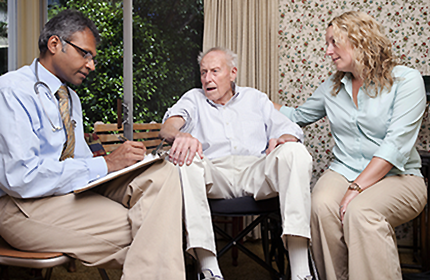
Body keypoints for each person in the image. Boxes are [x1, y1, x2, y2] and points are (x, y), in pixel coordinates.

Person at [0, 9, 185, 280]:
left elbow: (83, 164)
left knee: (163, 173)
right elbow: (21, 177)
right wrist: (107, 163)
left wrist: (125, 164)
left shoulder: (71, 99)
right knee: (155, 229)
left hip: (68, 194)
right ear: (54, 44)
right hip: (23, 204)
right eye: (85, 53)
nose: (91, 65)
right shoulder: (12, 90)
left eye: (93, 57)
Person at [274, 11, 427, 280]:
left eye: (334, 42)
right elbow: (296, 116)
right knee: (320, 205)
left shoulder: (406, 80)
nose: (327, 51)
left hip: (400, 176)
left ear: (359, 39)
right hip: (345, 170)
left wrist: (355, 189)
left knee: (361, 211)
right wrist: (248, 100)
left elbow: (395, 146)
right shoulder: (331, 88)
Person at [160, 47, 314, 280]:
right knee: (185, 160)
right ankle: (209, 268)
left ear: (232, 73)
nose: (207, 79)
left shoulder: (256, 98)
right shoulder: (194, 98)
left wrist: (285, 139)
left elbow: (288, 129)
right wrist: (179, 135)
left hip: (255, 172)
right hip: (214, 175)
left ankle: (302, 272)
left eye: (214, 71)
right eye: (203, 73)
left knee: (295, 151)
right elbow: (168, 126)